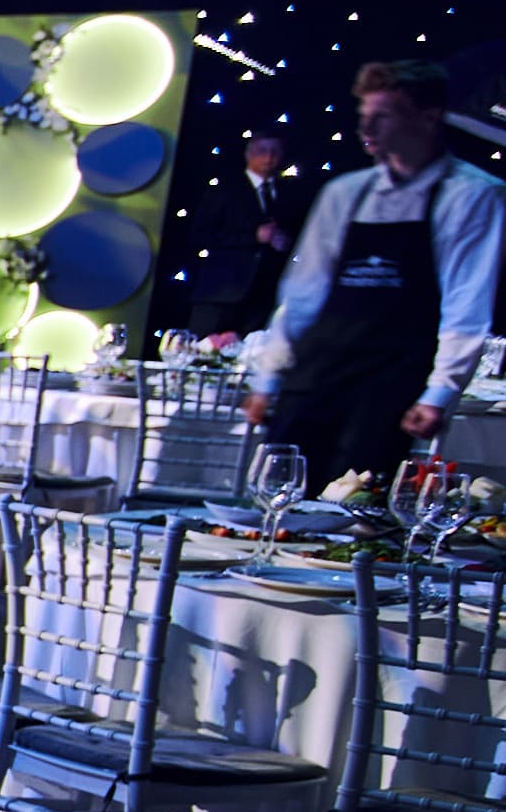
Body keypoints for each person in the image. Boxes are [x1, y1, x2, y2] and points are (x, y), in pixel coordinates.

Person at [246, 59, 498, 490]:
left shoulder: (471, 194)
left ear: (429, 117)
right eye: (365, 114)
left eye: (384, 115)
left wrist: (440, 393)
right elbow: (301, 297)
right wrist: (268, 378)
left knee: (357, 504)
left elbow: (467, 302)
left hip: (390, 380)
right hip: (316, 370)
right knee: (279, 494)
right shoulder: (344, 193)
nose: (367, 127)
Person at [191, 130, 300, 337]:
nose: (269, 157)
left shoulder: (289, 193)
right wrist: (253, 236)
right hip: (222, 292)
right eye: (263, 151)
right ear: (249, 154)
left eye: (275, 152)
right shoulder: (226, 189)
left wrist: (285, 242)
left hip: (264, 295)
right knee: (206, 349)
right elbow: (200, 235)